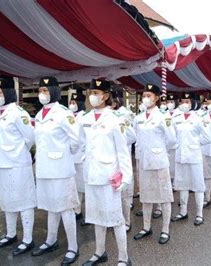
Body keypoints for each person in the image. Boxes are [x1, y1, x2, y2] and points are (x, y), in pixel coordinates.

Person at [79, 79, 133, 266]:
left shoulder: (115, 120)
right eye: (90, 92)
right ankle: (99, 252)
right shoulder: (84, 119)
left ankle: (124, 258)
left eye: (96, 92)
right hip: (92, 175)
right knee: (96, 217)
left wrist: (125, 178)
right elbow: (81, 144)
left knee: (116, 219)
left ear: (106, 96)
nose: (92, 96)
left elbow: (123, 152)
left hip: (110, 177)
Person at [31, 77, 79, 264]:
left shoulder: (63, 113)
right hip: (44, 168)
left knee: (66, 208)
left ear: (53, 91)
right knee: (51, 206)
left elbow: (76, 140)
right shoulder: (39, 114)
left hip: (60, 169)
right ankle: (51, 240)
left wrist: (63, 155)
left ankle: (73, 247)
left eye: (45, 90)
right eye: (40, 90)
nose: (42, 94)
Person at [0, 77, 37, 256]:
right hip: (1, 163)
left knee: (24, 200)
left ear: (9, 93)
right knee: (7, 199)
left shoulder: (19, 113)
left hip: (17, 164)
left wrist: (18, 152)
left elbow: (30, 137)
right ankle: (11, 234)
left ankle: (28, 239)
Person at [133, 84, 176, 244]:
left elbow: (171, 140)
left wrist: (158, 150)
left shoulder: (163, 117)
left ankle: (165, 229)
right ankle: (146, 227)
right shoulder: (138, 118)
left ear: (156, 98)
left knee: (164, 196)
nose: (145, 98)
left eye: (149, 95)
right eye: (144, 95)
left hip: (158, 161)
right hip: (143, 161)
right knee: (146, 196)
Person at [171, 92, 211, 226]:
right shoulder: (175, 118)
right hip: (180, 156)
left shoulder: (199, 118)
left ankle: (199, 214)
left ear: (193, 103)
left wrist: (194, 144)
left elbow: (207, 137)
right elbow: (172, 136)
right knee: (182, 184)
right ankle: (183, 211)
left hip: (194, 156)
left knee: (198, 185)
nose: (184, 104)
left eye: (187, 101)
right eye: (182, 101)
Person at [111, 88, 136, 233]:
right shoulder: (105, 115)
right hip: (108, 161)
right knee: (111, 194)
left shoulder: (124, 114)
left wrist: (119, 142)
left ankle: (126, 221)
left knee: (125, 195)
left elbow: (132, 137)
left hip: (122, 158)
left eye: (115, 99)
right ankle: (113, 219)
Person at [70, 88, 88, 225]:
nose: (72, 104)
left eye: (75, 102)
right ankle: (77, 211)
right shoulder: (69, 116)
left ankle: (88, 214)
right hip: (71, 157)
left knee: (85, 187)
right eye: (71, 102)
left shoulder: (85, 117)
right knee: (75, 187)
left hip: (82, 157)